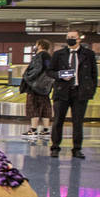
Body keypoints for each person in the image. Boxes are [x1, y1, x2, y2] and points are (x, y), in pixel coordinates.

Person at [49, 30, 97, 159]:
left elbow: (93, 74)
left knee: (78, 122)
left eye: (73, 37)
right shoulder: (58, 54)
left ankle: (77, 149)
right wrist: (60, 75)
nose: (70, 39)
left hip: (80, 93)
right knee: (58, 120)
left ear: (79, 39)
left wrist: (90, 90)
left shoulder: (88, 54)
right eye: (68, 37)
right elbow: (50, 71)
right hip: (62, 91)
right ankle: (55, 147)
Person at [20, 39, 54, 138]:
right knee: (45, 107)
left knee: (33, 107)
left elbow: (36, 70)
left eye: (36, 44)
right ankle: (46, 130)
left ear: (39, 46)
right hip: (44, 87)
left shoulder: (39, 56)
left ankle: (33, 130)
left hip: (34, 87)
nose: (35, 46)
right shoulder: (48, 57)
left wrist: (26, 75)